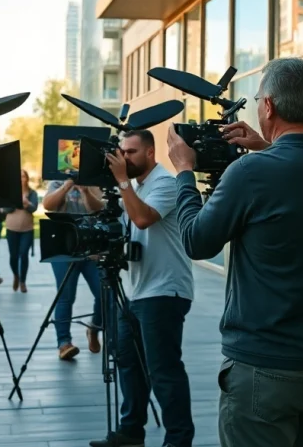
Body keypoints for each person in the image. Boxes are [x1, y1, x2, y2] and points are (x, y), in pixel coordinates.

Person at [168, 58, 303, 447]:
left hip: (265, 369)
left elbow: (197, 241)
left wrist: (184, 172)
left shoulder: (250, 174)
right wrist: (267, 145)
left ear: (268, 107)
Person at [89, 130, 195, 447]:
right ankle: (131, 431)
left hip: (165, 291)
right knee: (128, 362)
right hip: (137, 291)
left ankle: (178, 439)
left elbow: (142, 219)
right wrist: (86, 192)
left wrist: (121, 180)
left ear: (150, 153)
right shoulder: (137, 186)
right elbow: (122, 226)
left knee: (163, 369)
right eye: (122, 152)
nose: (124, 158)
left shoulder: (165, 182)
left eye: (131, 152)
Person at [41, 177, 105, 360]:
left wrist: (85, 191)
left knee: (104, 292)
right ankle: (64, 343)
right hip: (64, 249)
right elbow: (48, 205)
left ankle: (94, 328)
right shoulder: (57, 182)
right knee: (65, 297)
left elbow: (98, 208)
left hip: (91, 248)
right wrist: (67, 186)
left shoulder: (94, 183)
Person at [2, 169, 38, 293]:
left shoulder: (32, 193)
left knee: (24, 254)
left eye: (23, 176)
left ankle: (23, 281)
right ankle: (16, 275)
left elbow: (34, 209)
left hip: (27, 229)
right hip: (12, 229)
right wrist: (16, 202)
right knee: (13, 256)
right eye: (19, 177)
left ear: (26, 178)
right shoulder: (11, 193)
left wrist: (27, 204)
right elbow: (5, 209)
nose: (21, 179)